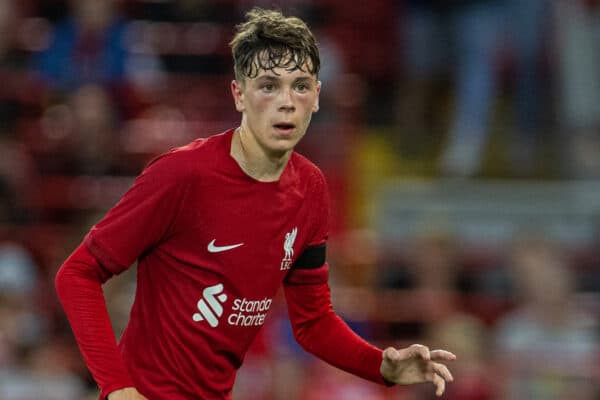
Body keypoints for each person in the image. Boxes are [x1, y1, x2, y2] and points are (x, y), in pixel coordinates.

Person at [55, 8, 456, 400]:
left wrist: (381, 365)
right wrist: (117, 387)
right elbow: (76, 274)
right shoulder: (182, 174)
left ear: (317, 97)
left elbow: (312, 322)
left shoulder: (311, 189)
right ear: (239, 95)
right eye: (268, 85)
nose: (286, 102)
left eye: (300, 85)